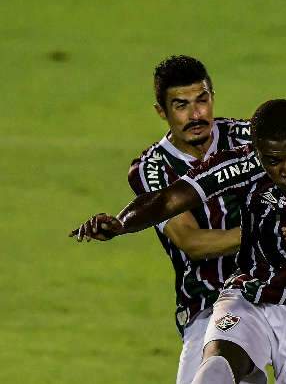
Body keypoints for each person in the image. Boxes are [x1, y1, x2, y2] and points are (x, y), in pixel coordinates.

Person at [71, 99, 286, 384]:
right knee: (215, 368)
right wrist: (122, 223)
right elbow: (169, 199)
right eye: (274, 161)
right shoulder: (244, 163)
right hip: (250, 295)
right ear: (257, 152)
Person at [75, 55, 251, 384]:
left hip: (279, 290)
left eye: (202, 100)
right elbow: (191, 242)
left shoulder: (250, 138)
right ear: (162, 111)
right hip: (209, 303)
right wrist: (269, 234)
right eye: (181, 105)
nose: (196, 114)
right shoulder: (152, 169)